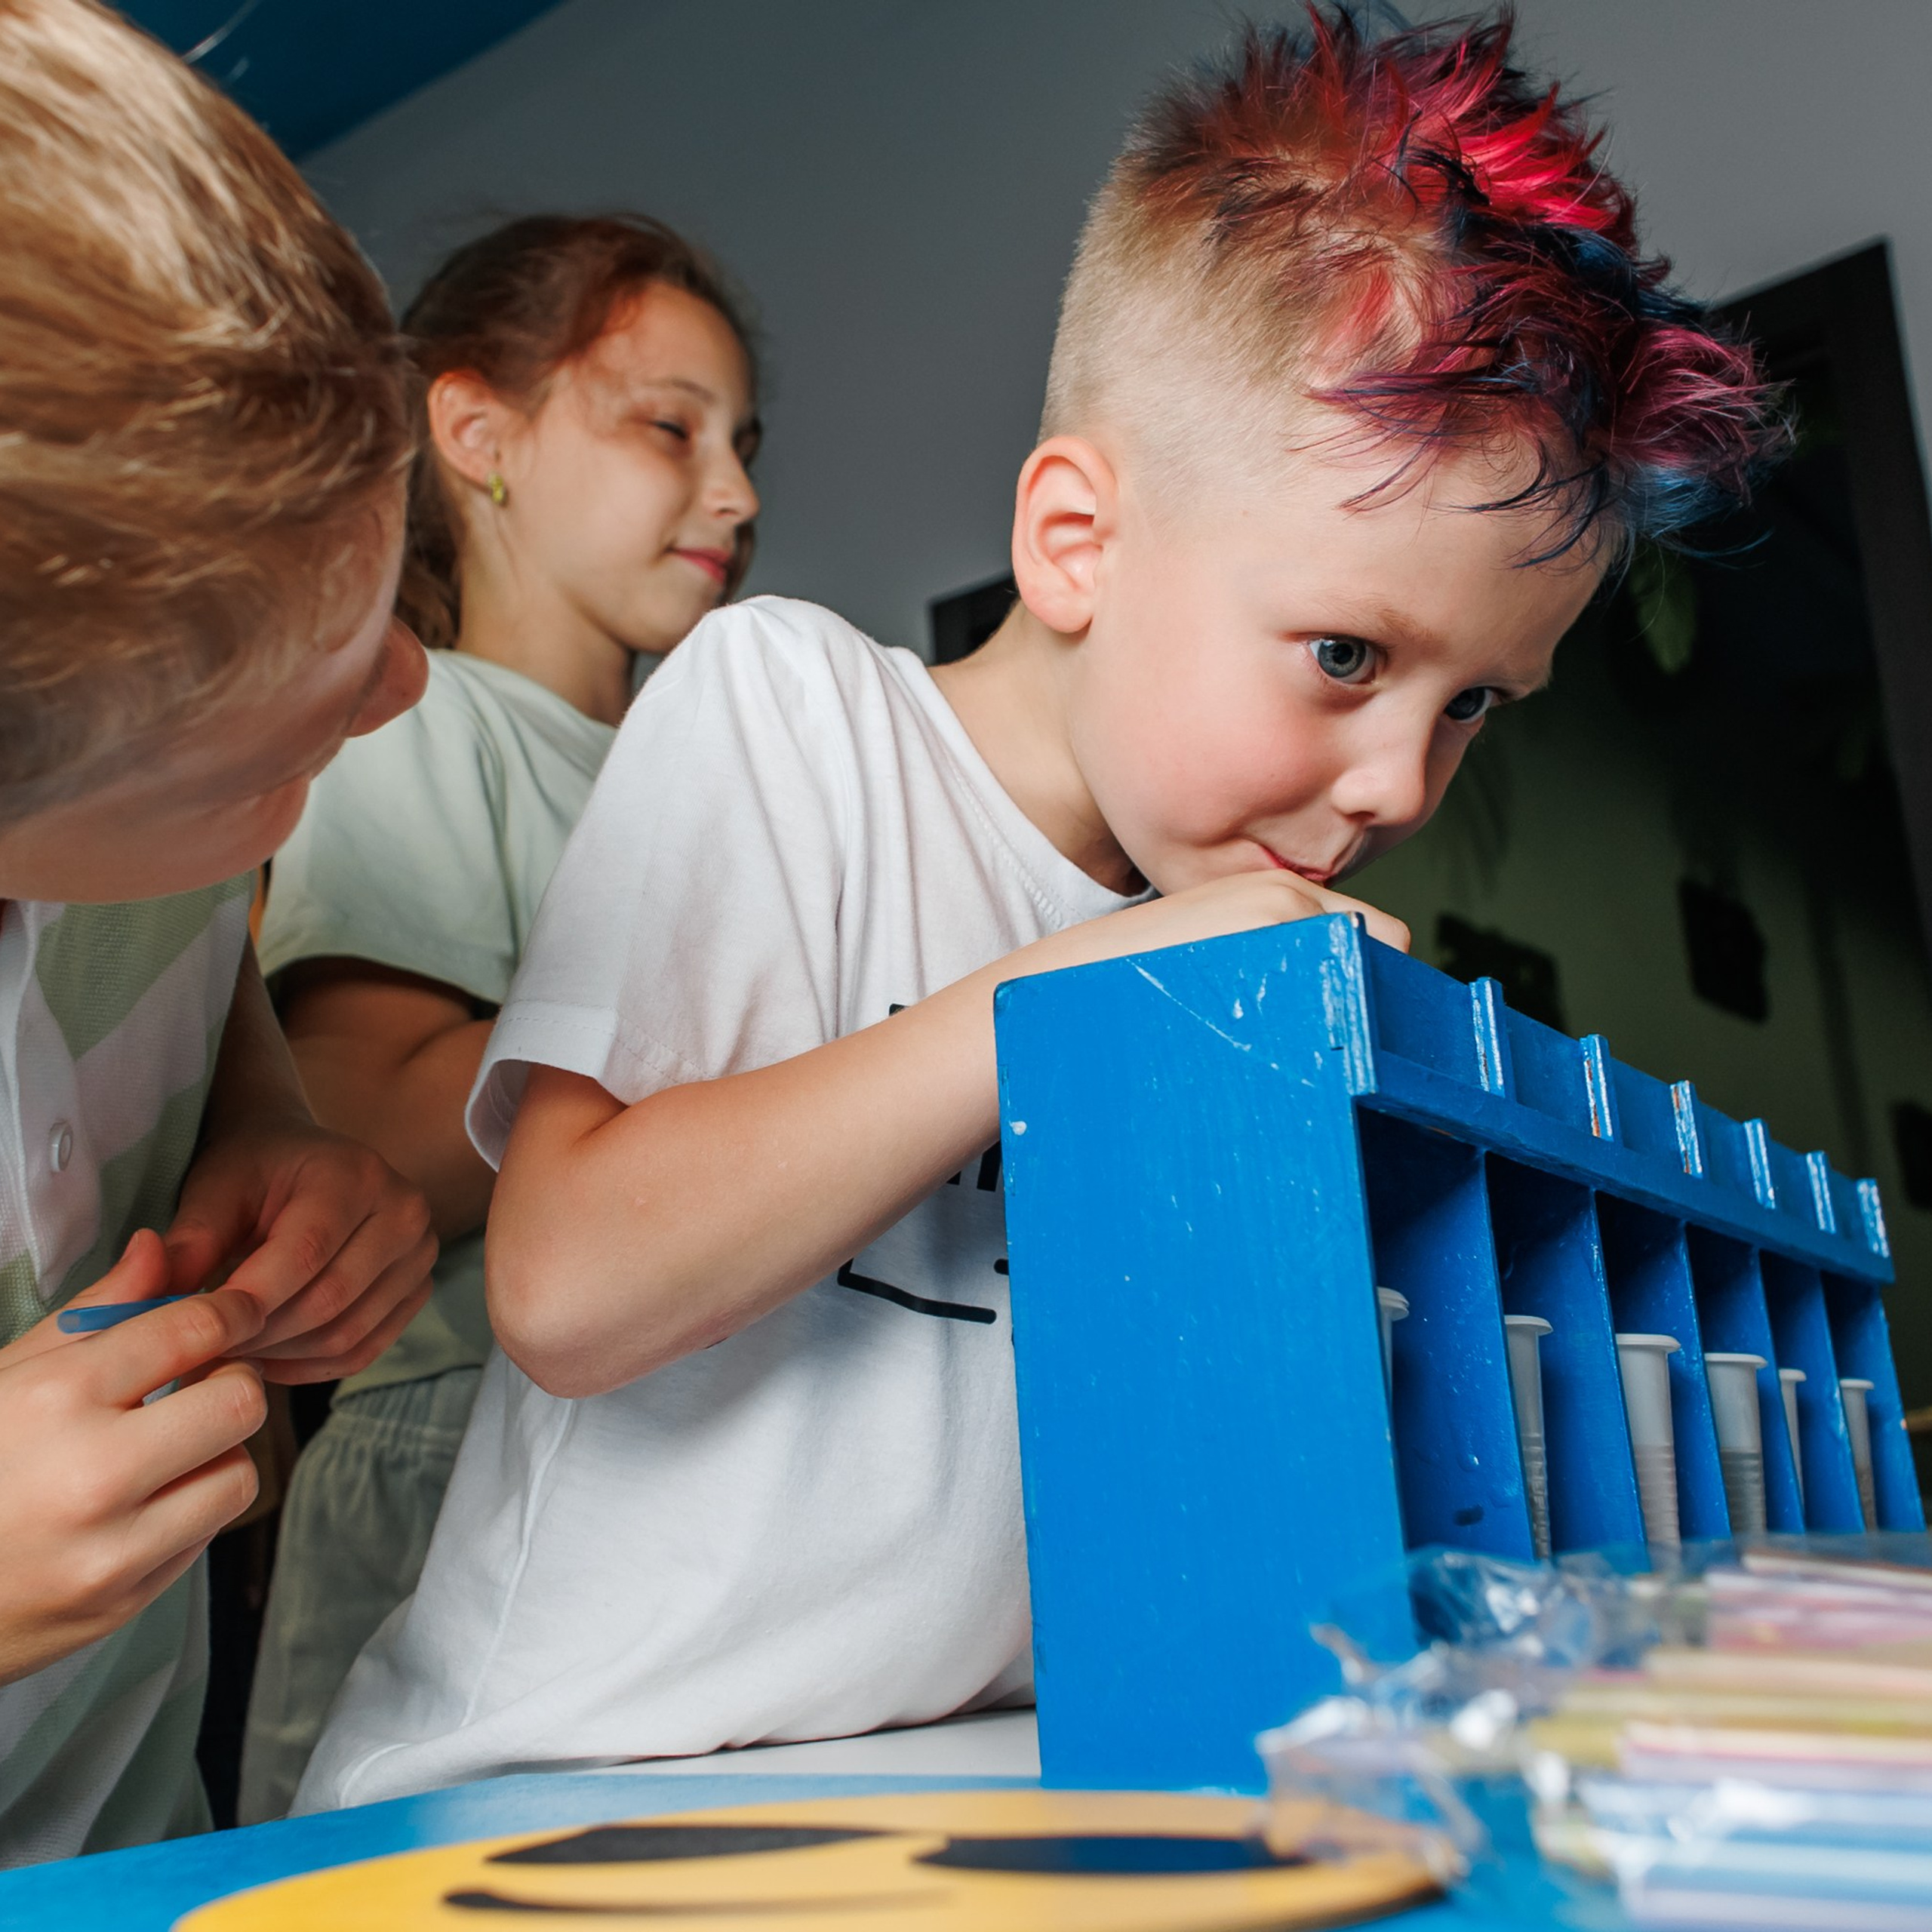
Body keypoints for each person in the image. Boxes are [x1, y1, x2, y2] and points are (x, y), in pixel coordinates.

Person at [297, 8, 1787, 1810]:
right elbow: (562, 1282)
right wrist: (1073, 995)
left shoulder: (1231, 942)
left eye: (1471, 701)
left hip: (952, 1784)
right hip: (559, 1789)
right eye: (1343, 652)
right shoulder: (790, 709)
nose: (1401, 781)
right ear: (1074, 540)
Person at [237, 214, 761, 1823]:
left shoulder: (709, 772)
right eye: (670, 426)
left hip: (677, 1454)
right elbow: (372, 1135)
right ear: (477, 438)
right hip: (452, 1453)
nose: (733, 491)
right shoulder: (419, 722)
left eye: (744, 445)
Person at [0, 0, 438, 1863]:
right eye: (284, 739)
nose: (414, 688)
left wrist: (264, 1117)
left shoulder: (135, 797)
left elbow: (182, 954)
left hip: (137, 1826)